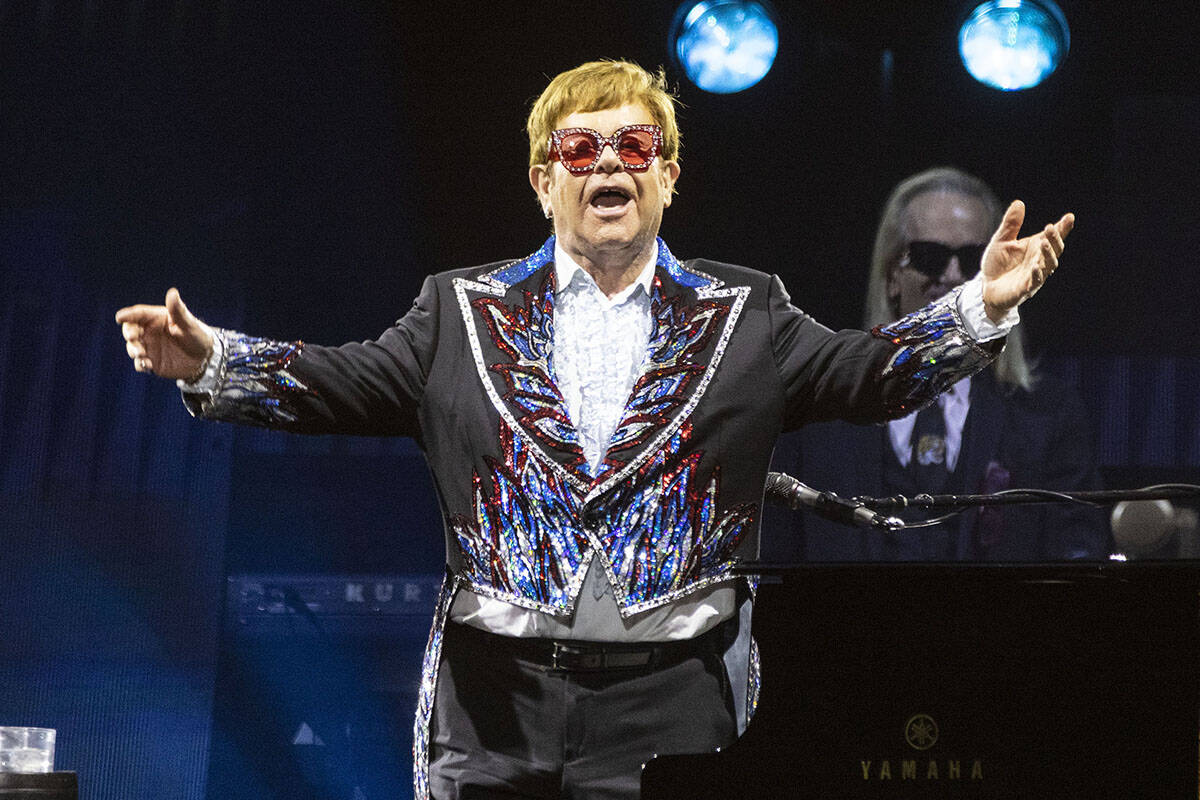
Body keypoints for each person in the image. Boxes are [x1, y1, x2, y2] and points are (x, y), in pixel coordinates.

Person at [117, 63, 1073, 799]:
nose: (608, 164)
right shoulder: (459, 311)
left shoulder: (747, 314)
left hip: (675, 701)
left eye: (633, 146)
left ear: (668, 176)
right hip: (492, 702)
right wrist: (212, 360)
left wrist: (981, 308)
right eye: (580, 150)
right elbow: (341, 383)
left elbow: (868, 375)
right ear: (544, 181)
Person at [764, 167, 1107, 563]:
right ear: (892, 274)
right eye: (931, 257)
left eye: (973, 260)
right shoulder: (817, 413)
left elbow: (1078, 555)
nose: (953, 275)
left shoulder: (1050, 414)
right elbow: (773, 555)